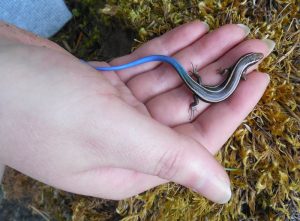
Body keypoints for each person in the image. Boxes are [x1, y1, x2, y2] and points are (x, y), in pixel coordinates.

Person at [0, 17, 275, 204]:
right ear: (246, 62)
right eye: (252, 59)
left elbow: (229, 72)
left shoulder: (234, 72)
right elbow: (232, 76)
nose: (254, 59)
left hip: (199, 88)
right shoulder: (240, 75)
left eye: (251, 59)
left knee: (191, 80)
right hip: (200, 93)